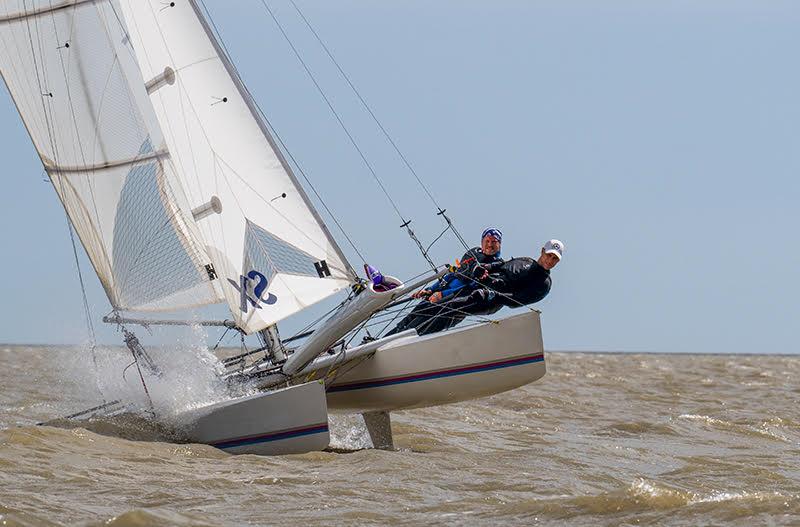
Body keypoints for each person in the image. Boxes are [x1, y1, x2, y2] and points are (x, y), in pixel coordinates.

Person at [385, 228, 504, 336]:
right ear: (482, 242)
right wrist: (430, 289)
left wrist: (443, 295)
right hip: (437, 295)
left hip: (452, 304)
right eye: (487, 241)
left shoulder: (495, 267)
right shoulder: (474, 254)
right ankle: (379, 342)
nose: (490, 245)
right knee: (407, 320)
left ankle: (395, 345)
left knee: (416, 327)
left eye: (494, 242)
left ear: (499, 244)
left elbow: (469, 289)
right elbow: (453, 275)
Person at [458, 238, 564, 313]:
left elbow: (516, 301)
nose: (550, 260)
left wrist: (491, 295)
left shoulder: (544, 283)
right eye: (549, 255)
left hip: (487, 301)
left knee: (453, 307)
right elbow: (501, 265)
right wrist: (480, 268)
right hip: (478, 285)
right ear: (542, 251)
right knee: (447, 300)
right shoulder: (526, 260)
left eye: (555, 258)